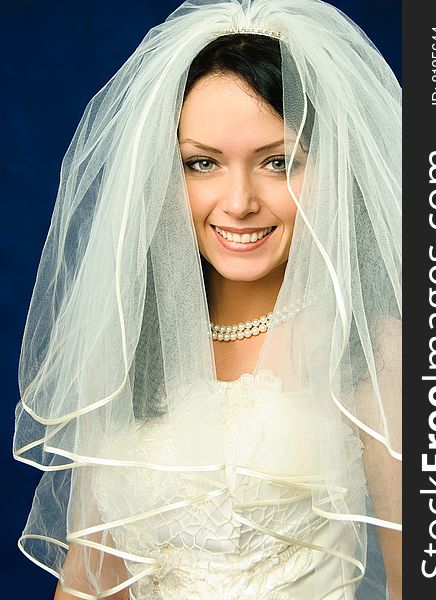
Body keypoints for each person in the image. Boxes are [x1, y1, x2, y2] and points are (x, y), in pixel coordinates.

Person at [13, 1, 402, 598]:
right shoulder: (133, 345)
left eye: (279, 162)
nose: (239, 201)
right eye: (203, 164)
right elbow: (92, 578)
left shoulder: (372, 352)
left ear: (330, 168)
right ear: (165, 175)